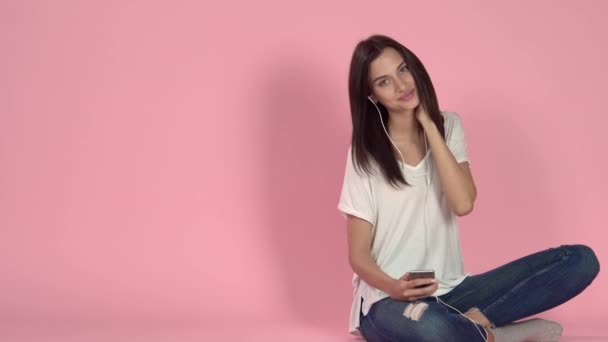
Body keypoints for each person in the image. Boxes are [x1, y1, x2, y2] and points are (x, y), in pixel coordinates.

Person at [337, 34, 600, 342]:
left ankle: (467, 328)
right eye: (384, 81)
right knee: (430, 327)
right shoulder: (364, 155)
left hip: (453, 291)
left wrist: (430, 126)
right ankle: (498, 337)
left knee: (580, 261)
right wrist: (394, 287)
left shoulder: (449, 127)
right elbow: (359, 256)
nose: (401, 85)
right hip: (387, 301)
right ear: (372, 95)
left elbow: (463, 203)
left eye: (403, 70)